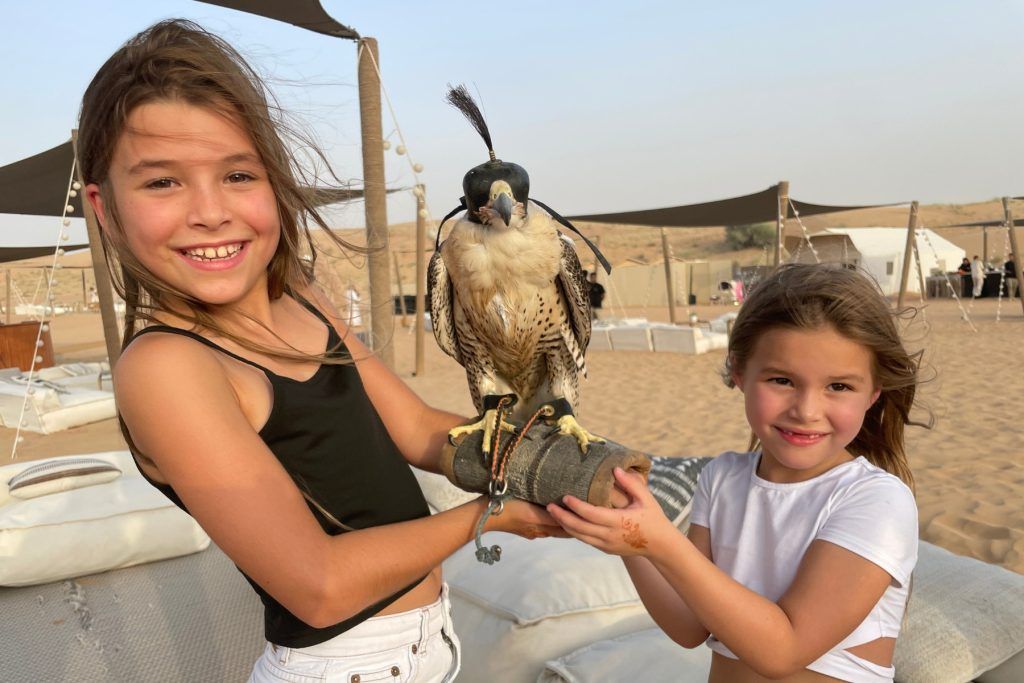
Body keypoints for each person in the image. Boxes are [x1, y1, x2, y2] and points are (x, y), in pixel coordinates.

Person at [79, 20, 564, 682]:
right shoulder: (168, 366)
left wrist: (542, 458)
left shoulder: (300, 294)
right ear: (104, 209)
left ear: (273, 181)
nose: (210, 211)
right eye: (163, 182)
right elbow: (319, 582)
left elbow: (420, 430)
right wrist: (497, 513)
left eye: (238, 174)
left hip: (430, 647)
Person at [550, 263, 922, 682]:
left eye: (838, 386)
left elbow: (784, 651)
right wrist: (631, 540)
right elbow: (690, 626)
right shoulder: (722, 478)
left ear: (873, 394)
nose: (807, 411)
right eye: (782, 380)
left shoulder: (876, 500)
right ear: (740, 373)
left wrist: (659, 541)